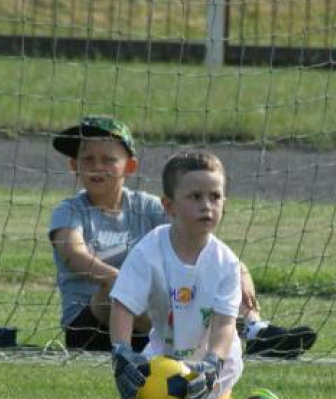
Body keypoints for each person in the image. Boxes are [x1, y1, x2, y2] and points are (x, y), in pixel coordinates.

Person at [48, 116, 317, 357]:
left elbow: (199, 237)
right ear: (74, 165)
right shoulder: (70, 211)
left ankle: (257, 331)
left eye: (108, 160)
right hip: (90, 327)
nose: (97, 167)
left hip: (151, 326)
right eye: (88, 159)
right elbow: (75, 256)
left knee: (204, 273)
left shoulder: (148, 206)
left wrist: (239, 271)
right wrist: (122, 282)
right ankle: (186, 341)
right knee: (115, 293)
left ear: (129, 166)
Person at [109, 150, 309, 399]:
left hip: (215, 361)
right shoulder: (148, 250)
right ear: (169, 206)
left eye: (215, 197)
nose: (207, 206)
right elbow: (122, 306)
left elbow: (225, 324)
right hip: (162, 355)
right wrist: (122, 353)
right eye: (195, 197)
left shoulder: (226, 263)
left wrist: (213, 363)